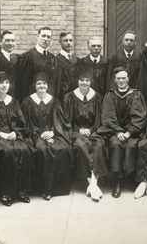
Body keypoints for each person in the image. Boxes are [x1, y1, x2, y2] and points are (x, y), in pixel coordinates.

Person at [0, 71, 33, 206]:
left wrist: (15, 133)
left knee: (24, 150)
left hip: (13, 135)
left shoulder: (13, 101)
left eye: (6, 82)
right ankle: (6, 193)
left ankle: (21, 191)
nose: (4, 85)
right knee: (8, 152)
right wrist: (1, 134)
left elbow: (21, 122)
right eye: (1, 83)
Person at [96, 67, 147, 198]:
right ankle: (116, 181)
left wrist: (129, 132)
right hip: (114, 131)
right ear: (115, 80)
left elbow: (139, 117)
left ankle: (131, 179)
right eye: (118, 78)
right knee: (115, 144)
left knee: (131, 145)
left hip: (133, 132)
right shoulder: (110, 95)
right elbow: (108, 116)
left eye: (123, 78)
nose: (121, 81)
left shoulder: (136, 94)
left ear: (128, 79)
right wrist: (118, 131)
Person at [21, 73, 72, 201]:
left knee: (61, 148)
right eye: (39, 84)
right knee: (42, 150)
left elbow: (60, 122)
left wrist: (53, 132)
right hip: (34, 135)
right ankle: (43, 189)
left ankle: (56, 189)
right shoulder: (27, 102)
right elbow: (24, 123)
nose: (41, 86)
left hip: (53, 132)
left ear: (48, 86)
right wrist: (40, 134)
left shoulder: (54, 101)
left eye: (44, 84)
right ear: (34, 86)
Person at [63, 70, 107, 202]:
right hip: (76, 132)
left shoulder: (97, 97)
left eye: (87, 80)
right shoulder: (69, 97)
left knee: (99, 145)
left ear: (90, 82)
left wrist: (92, 130)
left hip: (94, 131)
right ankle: (93, 184)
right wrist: (79, 130)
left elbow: (99, 119)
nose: (84, 83)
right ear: (77, 82)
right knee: (81, 145)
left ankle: (92, 184)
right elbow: (67, 121)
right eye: (82, 80)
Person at [16, 26, 58, 101]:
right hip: (32, 101)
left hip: (48, 100)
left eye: (48, 37)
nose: (45, 39)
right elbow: (23, 83)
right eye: (43, 36)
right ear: (38, 37)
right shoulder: (27, 57)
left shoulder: (52, 58)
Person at [0, 30, 19, 97]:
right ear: (0, 42)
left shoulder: (17, 58)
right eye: (7, 40)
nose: (10, 43)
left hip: (15, 97)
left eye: (13, 41)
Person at [55, 31, 79, 101]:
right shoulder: (56, 60)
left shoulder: (77, 60)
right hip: (63, 98)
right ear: (60, 42)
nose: (68, 43)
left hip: (76, 98)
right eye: (65, 40)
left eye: (70, 40)